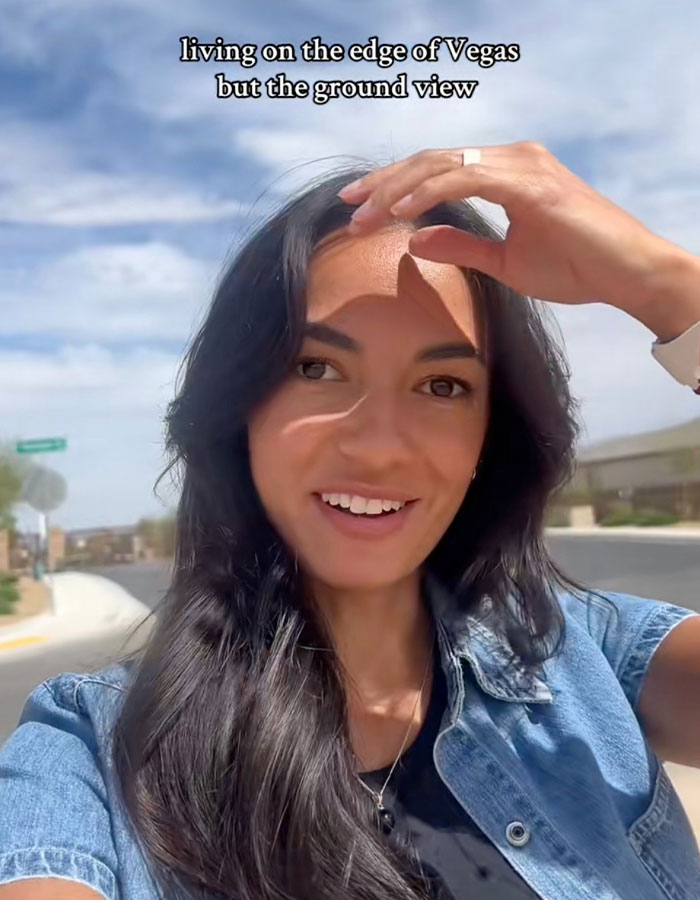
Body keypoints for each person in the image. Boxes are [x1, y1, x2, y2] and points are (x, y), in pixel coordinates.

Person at [1, 142, 699, 900]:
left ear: (487, 438)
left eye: (442, 384)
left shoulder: (596, 660)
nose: (378, 448)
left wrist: (668, 289)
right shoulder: (88, 754)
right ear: (240, 409)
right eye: (316, 368)